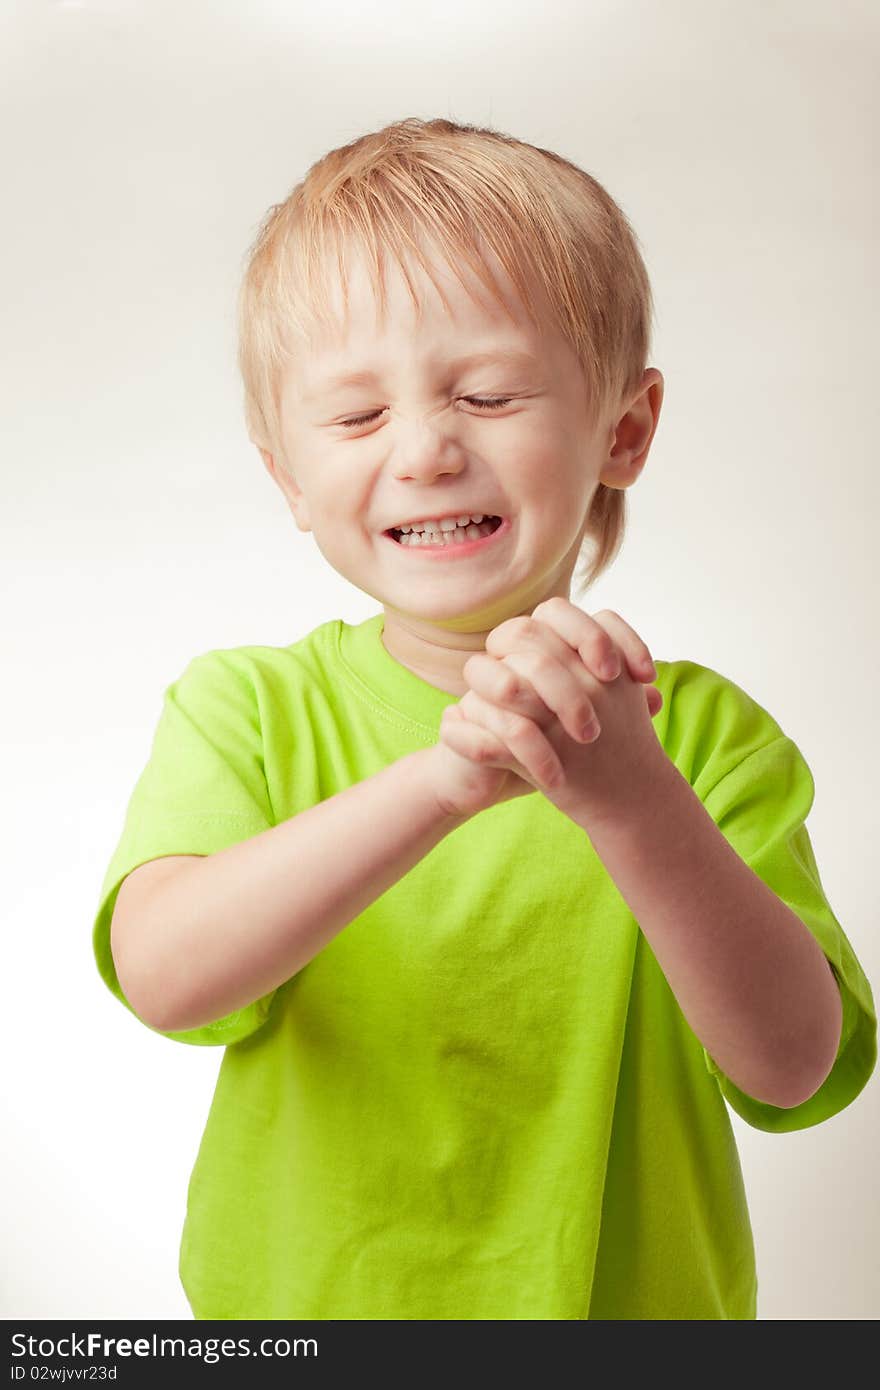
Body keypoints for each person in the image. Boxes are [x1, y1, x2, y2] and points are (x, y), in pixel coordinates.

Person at [92, 116, 876, 1320]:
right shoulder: (246, 705)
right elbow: (164, 977)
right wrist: (442, 782)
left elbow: (790, 1063)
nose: (423, 451)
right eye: (354, 418)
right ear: (289, 479)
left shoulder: (704, 735)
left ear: (622, 429)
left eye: (488, 392)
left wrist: (634, 798)